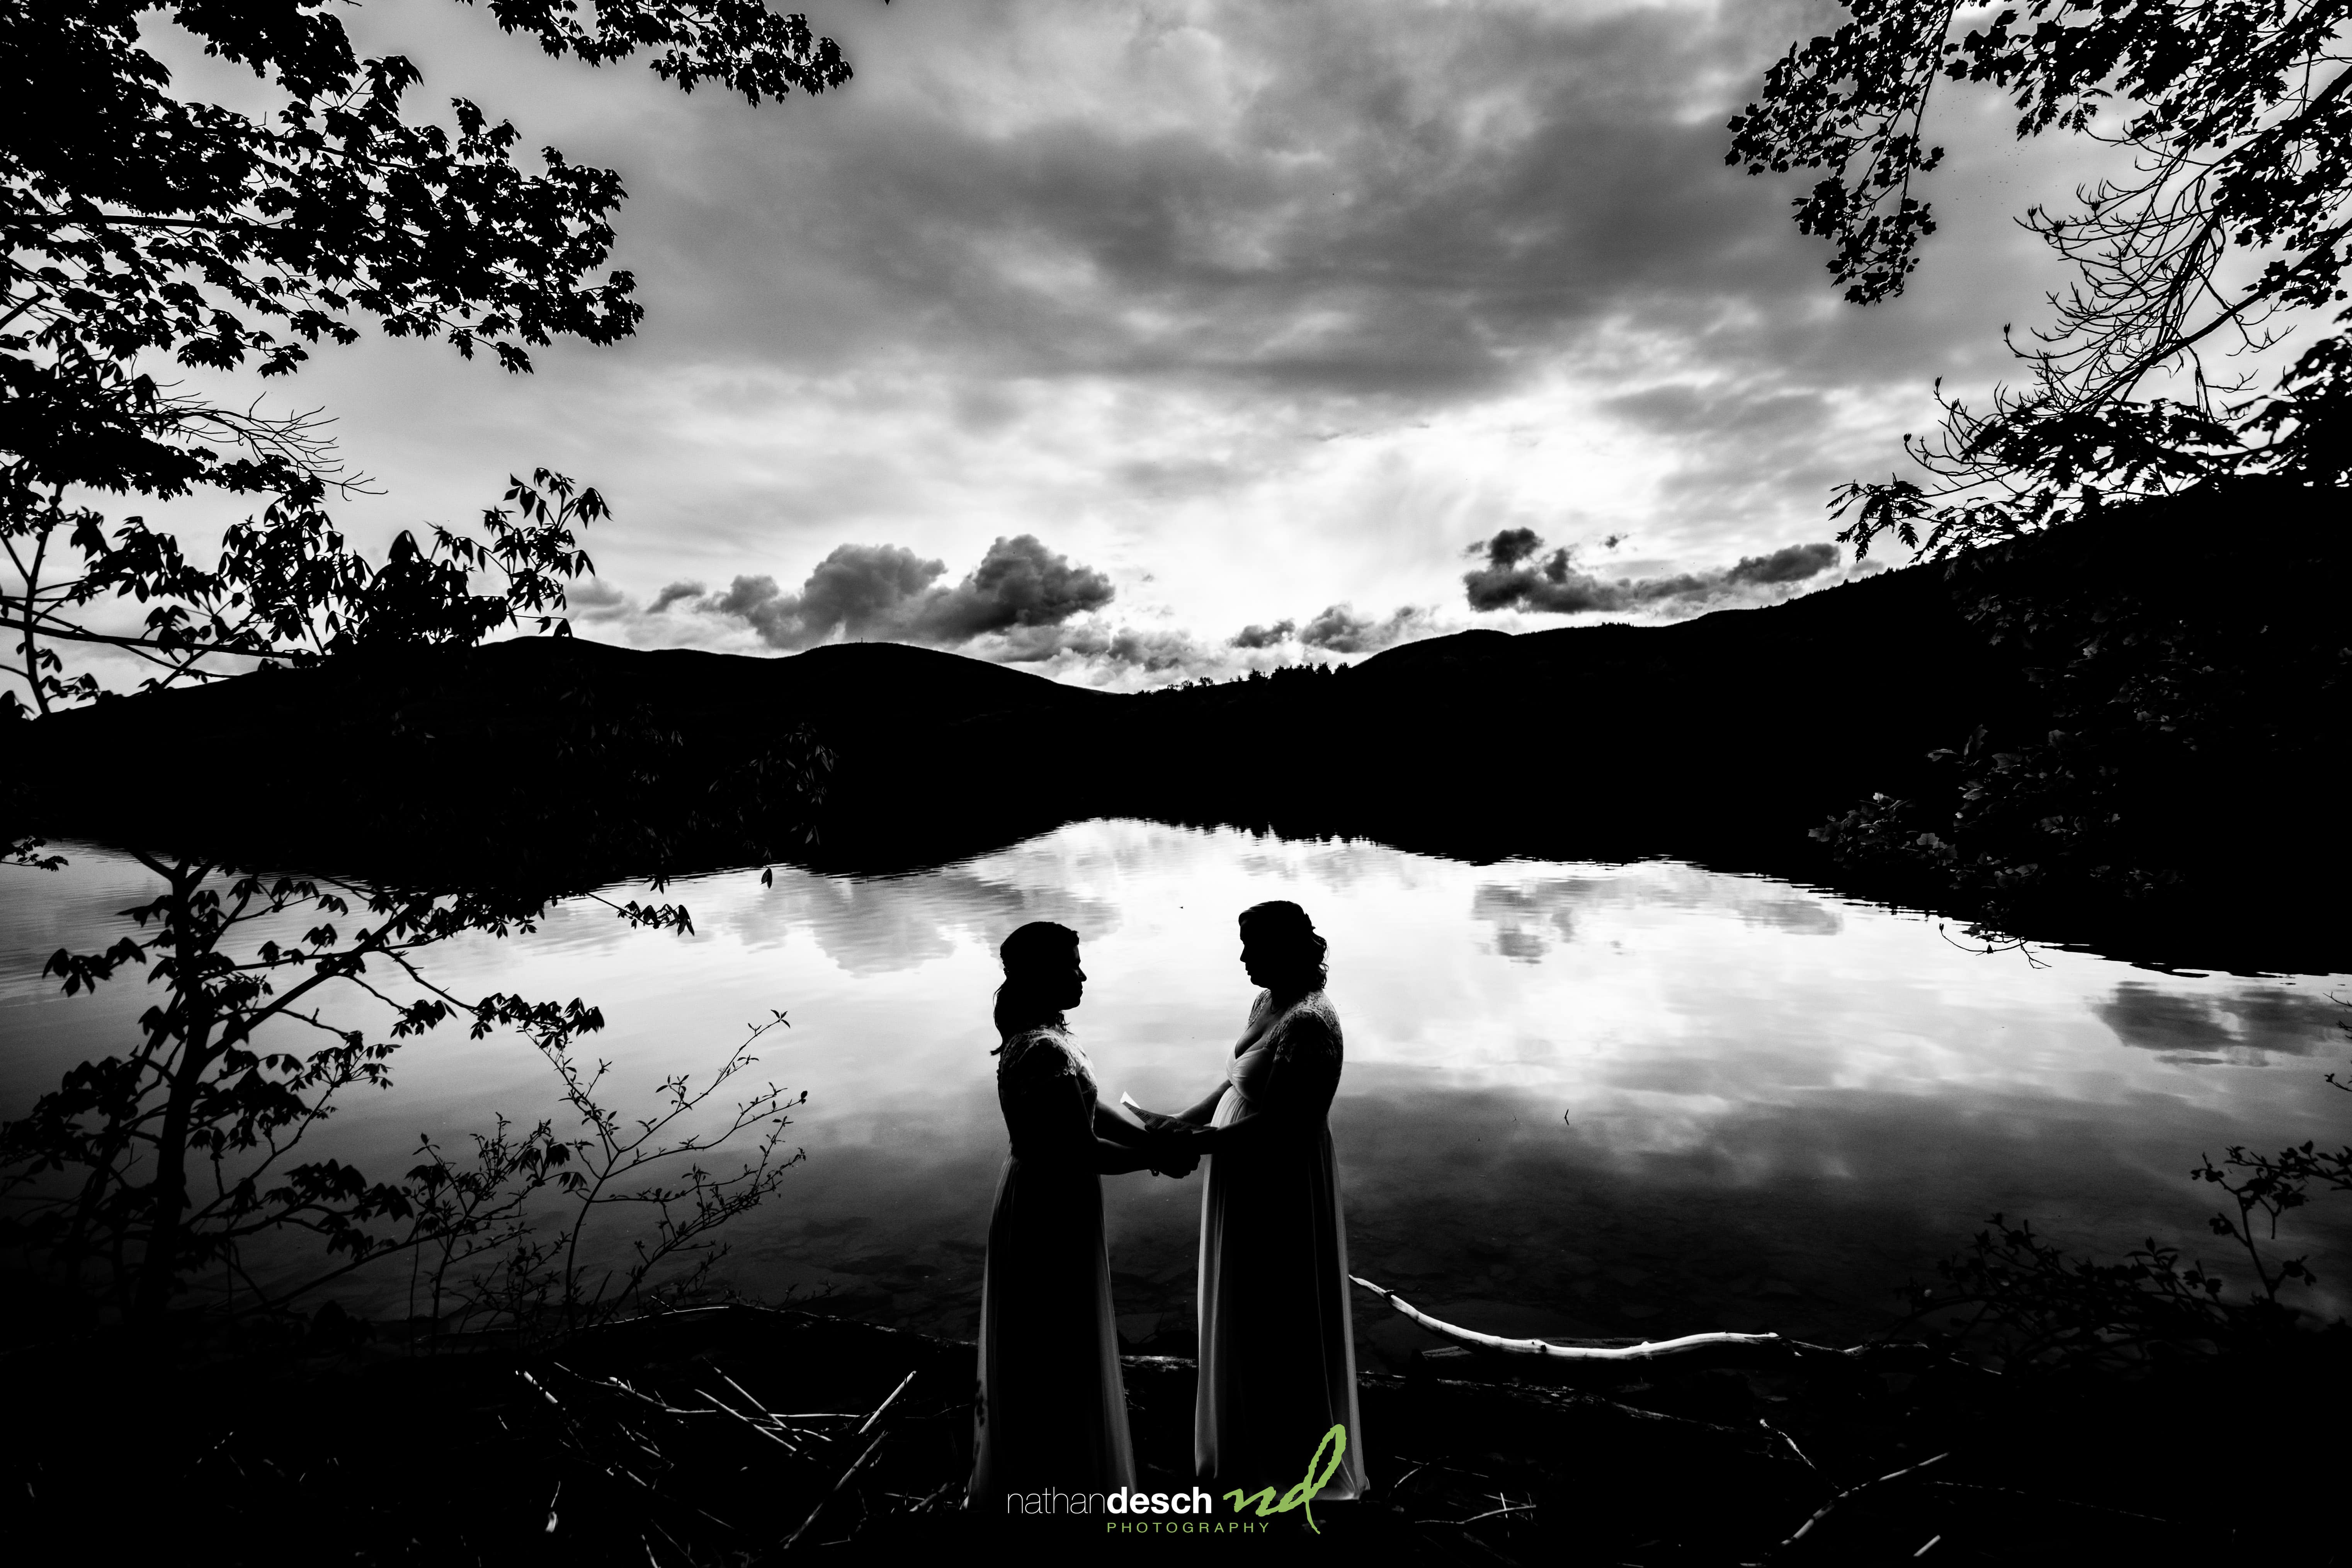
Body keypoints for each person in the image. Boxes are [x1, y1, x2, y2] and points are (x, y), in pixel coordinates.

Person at [968, 921, 1196, 1511]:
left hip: (1055, 1193)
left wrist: (1152, 1137)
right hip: (1048, 1205)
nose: (1083, 974)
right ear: (1042, 975)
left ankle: (1061, 1476)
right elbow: (1080, 1151)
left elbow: (1087, 1111)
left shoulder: (1048, 1035)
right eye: (1072, 965)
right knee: (1054, 1339)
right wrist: (1158, 1159)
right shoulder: (1041, 1048)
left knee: (1058, 1335)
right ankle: (1055, 1483)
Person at [1166, 900, 1366, 1501]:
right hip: (1242, 1171)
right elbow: (1237, 1077)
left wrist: (1198, 1143)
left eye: (1253, 946)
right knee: (1246, 1302)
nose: (1243, 957)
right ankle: (1243, 1439)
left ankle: (1284, 1459)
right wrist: (1184, 1120)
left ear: (1285, 949)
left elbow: (1283, 1125)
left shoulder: (1309, 1023)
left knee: (1276, 1307)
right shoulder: (1267, 1003)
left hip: (1278, 1183)